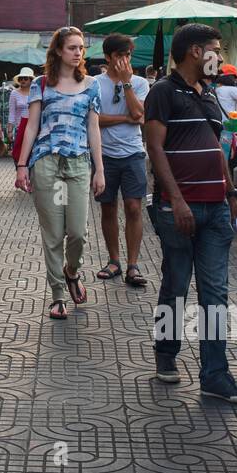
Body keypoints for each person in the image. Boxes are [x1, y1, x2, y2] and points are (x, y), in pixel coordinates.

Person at [144, 23, 237, 404]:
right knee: (175, 285)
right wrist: (175, 200)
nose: (221, 57)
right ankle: (166, 353)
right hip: (177, 208)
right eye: (217, 50)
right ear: (195, 51)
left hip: (216, 210)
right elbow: (155, 149)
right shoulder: (162, 91)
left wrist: (232, 195)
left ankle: (215, 375)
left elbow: (217, 150)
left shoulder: (208, 95)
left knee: (215, 293)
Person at [15, 27, 105, 319]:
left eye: (81, 48)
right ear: (57, 51)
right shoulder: (42, 84)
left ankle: (71, 270)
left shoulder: (92, 85)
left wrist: (99, 169)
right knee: (53, 234)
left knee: (78, 232)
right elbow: (32, 126)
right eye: (72, 48)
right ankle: (57, 295)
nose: (78, 53)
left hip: (78, 162)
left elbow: (93, 128)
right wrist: (21, 165)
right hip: (46, 161)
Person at [92, 33, 151, 287]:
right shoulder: (94, 83)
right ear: (108, 57)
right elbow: (94, 119)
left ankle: (133, 265)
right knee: (108, 207)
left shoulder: (139, 83)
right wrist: (124, 118)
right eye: (119, 56)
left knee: (134, 208)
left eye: (128, 55)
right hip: (104, 154)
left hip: (133, 153)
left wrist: (126, 83)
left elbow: (139, 114)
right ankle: (114, 260)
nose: (124, 61)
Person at [9, 68, 36, 166]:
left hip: (34, 126)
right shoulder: (14, 93)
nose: (23, 80)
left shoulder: (36, 92)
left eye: (25, 78)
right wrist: (9, 131)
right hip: (19, 128)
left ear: (31, 80)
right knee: (18, 153)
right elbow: (12, 112)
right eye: (21, 78)